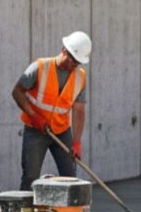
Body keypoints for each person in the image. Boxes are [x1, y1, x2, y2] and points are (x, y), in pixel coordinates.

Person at [12, 32, 90, 191]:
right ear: (63, 50)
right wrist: (34, 117)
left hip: (61, 131)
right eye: (71, 60)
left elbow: (79, 110)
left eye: (77, 63)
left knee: (70, 178)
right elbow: (17, 92)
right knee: (30, 177)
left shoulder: (80, 77)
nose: (73, 65)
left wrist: (76, 141)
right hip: (36, 130)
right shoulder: (40, 67)